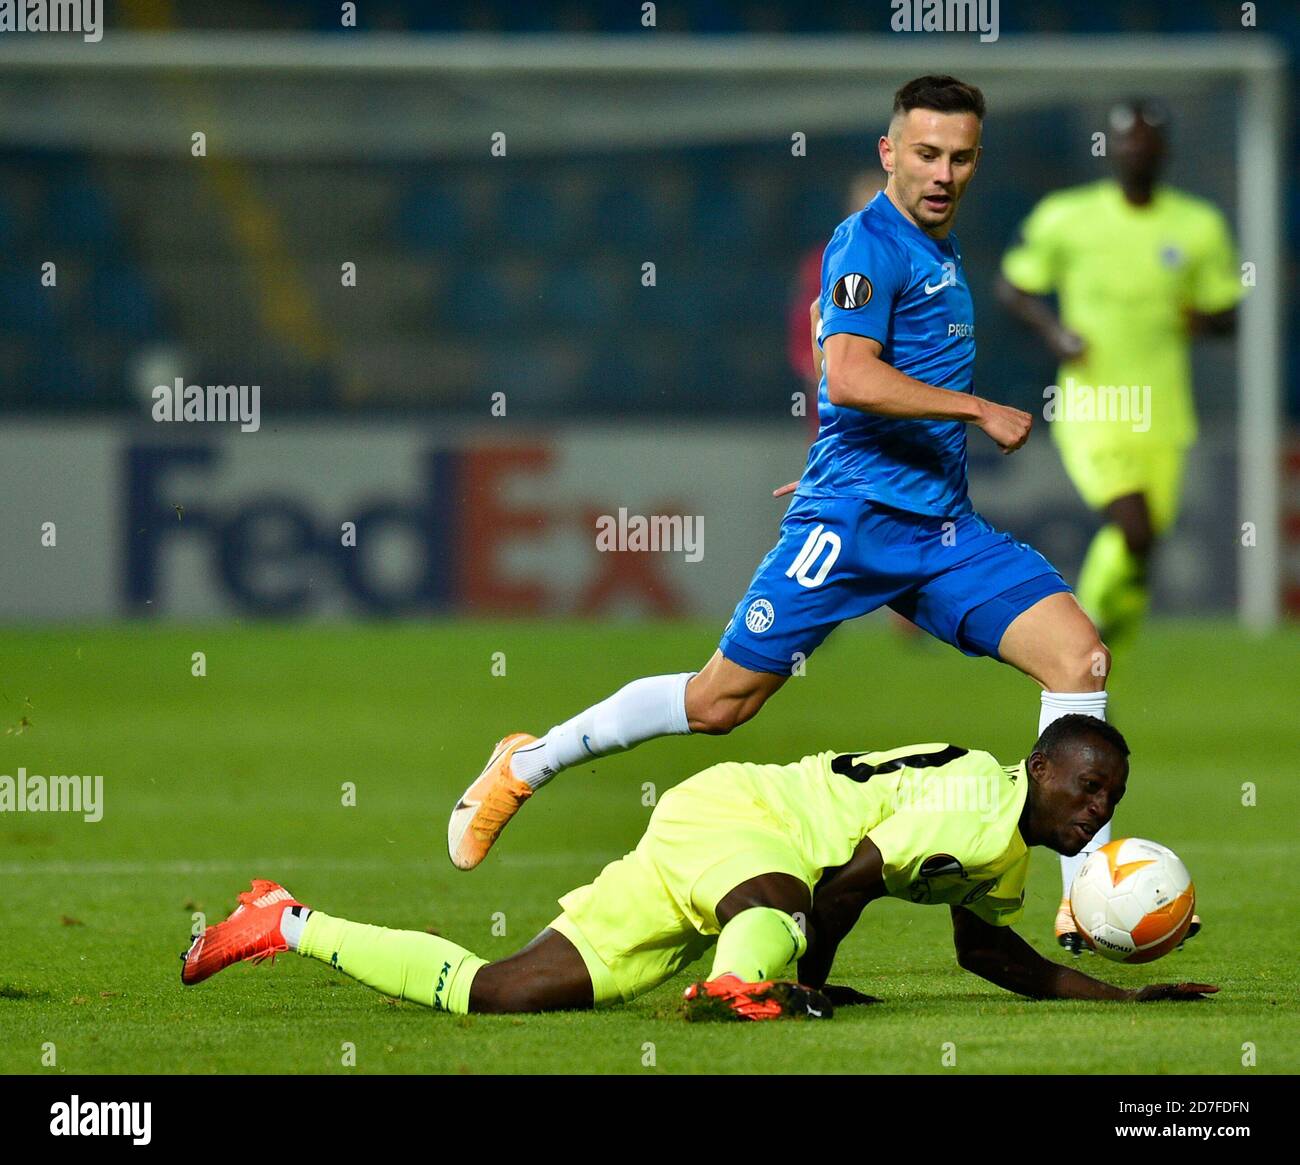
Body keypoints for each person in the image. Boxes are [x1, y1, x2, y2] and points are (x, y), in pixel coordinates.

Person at [448, 75, 1111, 959]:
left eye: (959, 156)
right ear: (890, 154)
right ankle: (526, 764)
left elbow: (859, 395)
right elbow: (849, 374)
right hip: (851, 530)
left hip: (939, 533)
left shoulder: (942, 253)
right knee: (719, 702)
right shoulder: (868, 242)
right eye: (924, 153)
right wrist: (975, 409)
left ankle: (1086, 896)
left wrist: (838, 452)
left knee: (1079, 657)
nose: (943, 172)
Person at [183, 716, 1215, 1018]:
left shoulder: (1000, 856)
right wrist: (801, 982)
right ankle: (738, 982)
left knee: (498, 991)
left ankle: (282, 920)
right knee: (791, 898)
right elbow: (848, 878)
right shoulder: (980, 809)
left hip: (710, 849)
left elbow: (992, 956)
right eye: (1087, 787)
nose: (1098, 809)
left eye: (1111, 798)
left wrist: (1120, 1000)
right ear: (1039, 767)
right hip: (742, 824)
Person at [997, 99, 1238, 945]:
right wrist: (1054, 329)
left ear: (1163, 149)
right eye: (1127, 134)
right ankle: (1087, 649)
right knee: (1130, 528)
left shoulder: (1196, 226)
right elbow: (1013, 282)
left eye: (1151, 136)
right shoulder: (1069, 218)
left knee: (1141, 544)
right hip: (1095, 408)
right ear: (1112, 146)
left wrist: (1197, 316)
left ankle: (1099, 650)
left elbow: (1227, 312)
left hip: (1162, 419)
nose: (1138, 146)